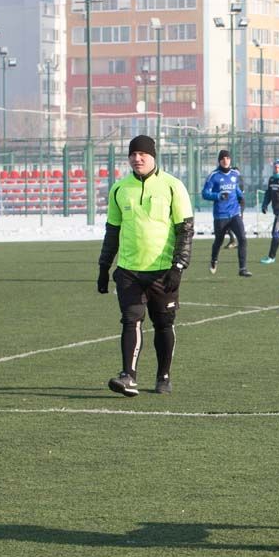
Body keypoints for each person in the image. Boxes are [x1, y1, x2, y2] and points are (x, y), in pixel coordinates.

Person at [97, 135, 195, 397]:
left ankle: (164, 376)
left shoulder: (173, 186)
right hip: (129, 271)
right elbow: (112, 231)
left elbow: (185, 229)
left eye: (142, 154)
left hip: (163, 271)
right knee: (131, 320)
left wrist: (178, 265)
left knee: (163, 323)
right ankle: (128, 376)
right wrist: (104, 267)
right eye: (132, 154)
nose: (137, 159)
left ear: (153, 156)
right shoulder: (119, 189)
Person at [201, 149, 251, 277]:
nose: (225, 160)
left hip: (234, 213)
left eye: (227, 158)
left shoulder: (235, 174)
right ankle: (214, 259)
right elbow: (205, 193)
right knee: (219, 241)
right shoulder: (213, 176)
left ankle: (243, 269)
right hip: (221, 215)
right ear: (219, 161)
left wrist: (241, 197)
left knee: (242, 238)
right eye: (223, 158)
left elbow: (236, 189)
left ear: (230, 160)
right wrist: (218, 195)